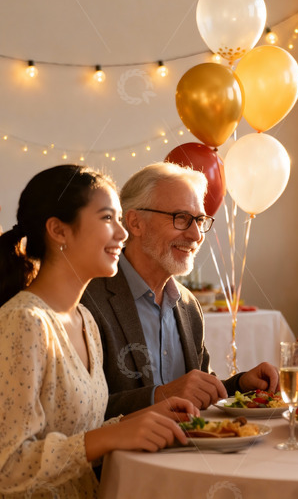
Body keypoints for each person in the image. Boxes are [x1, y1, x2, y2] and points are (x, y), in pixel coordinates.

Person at [0, 165, 197, 498]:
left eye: (120, 219)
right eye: (108, 219)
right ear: (58, 231)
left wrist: (145, 417)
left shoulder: (84, 320)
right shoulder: (25, 323)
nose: (123, 233)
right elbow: (7, 469)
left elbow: (79, 433)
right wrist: (109, 437)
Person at [81, 162, 278, 418]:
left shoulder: (187, 304)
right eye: (182, 218)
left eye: (199, 220)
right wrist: (161, 396)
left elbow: (198, 393)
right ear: (135, 223)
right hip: (125, 458)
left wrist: (240, 385)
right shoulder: (89, 299)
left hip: (189, 453)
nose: (196, 235)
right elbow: (79, 412)